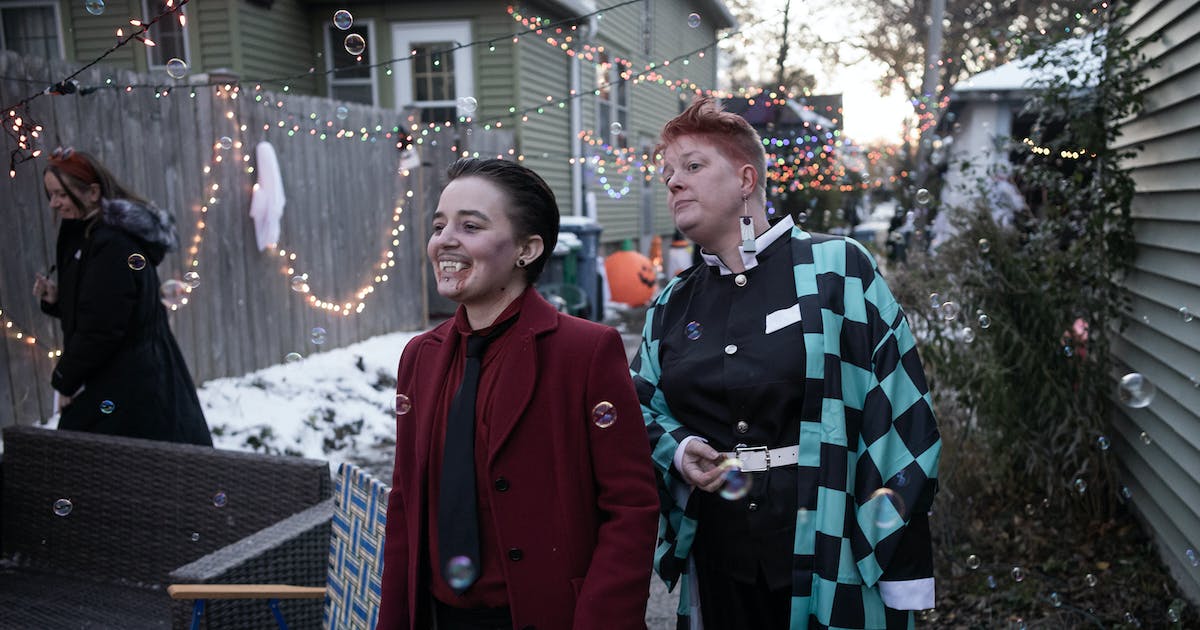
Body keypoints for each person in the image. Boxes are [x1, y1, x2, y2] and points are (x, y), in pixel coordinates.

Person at [631, 98, 942, 629]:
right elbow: (638, 407)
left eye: (692, 166)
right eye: (667, 175)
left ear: (746, 179)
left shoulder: (838, 269)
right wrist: (679, 450)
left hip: (831, 547)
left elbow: (899, 411)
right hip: (718, 561)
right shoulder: (671, 303)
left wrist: (897, 558)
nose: (674, 182)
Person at [377, 158, 659, 630]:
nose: (445, 240)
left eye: (470, 226)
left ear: (526, 249)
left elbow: (630, 508)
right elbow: (406, 503)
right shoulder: (419, 357)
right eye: (440, 225)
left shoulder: (585, 352)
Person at [33, 147, 211, 446]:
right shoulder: (87, 233)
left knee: (112, 459)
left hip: (134, 385)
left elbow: (102, 328)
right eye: (50, 195)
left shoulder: (113, 245)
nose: (54, 203)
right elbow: (99, 305)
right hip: (121, 378)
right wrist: (58, 299)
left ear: (92, 192)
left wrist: (65, 381)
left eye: (61, 194)